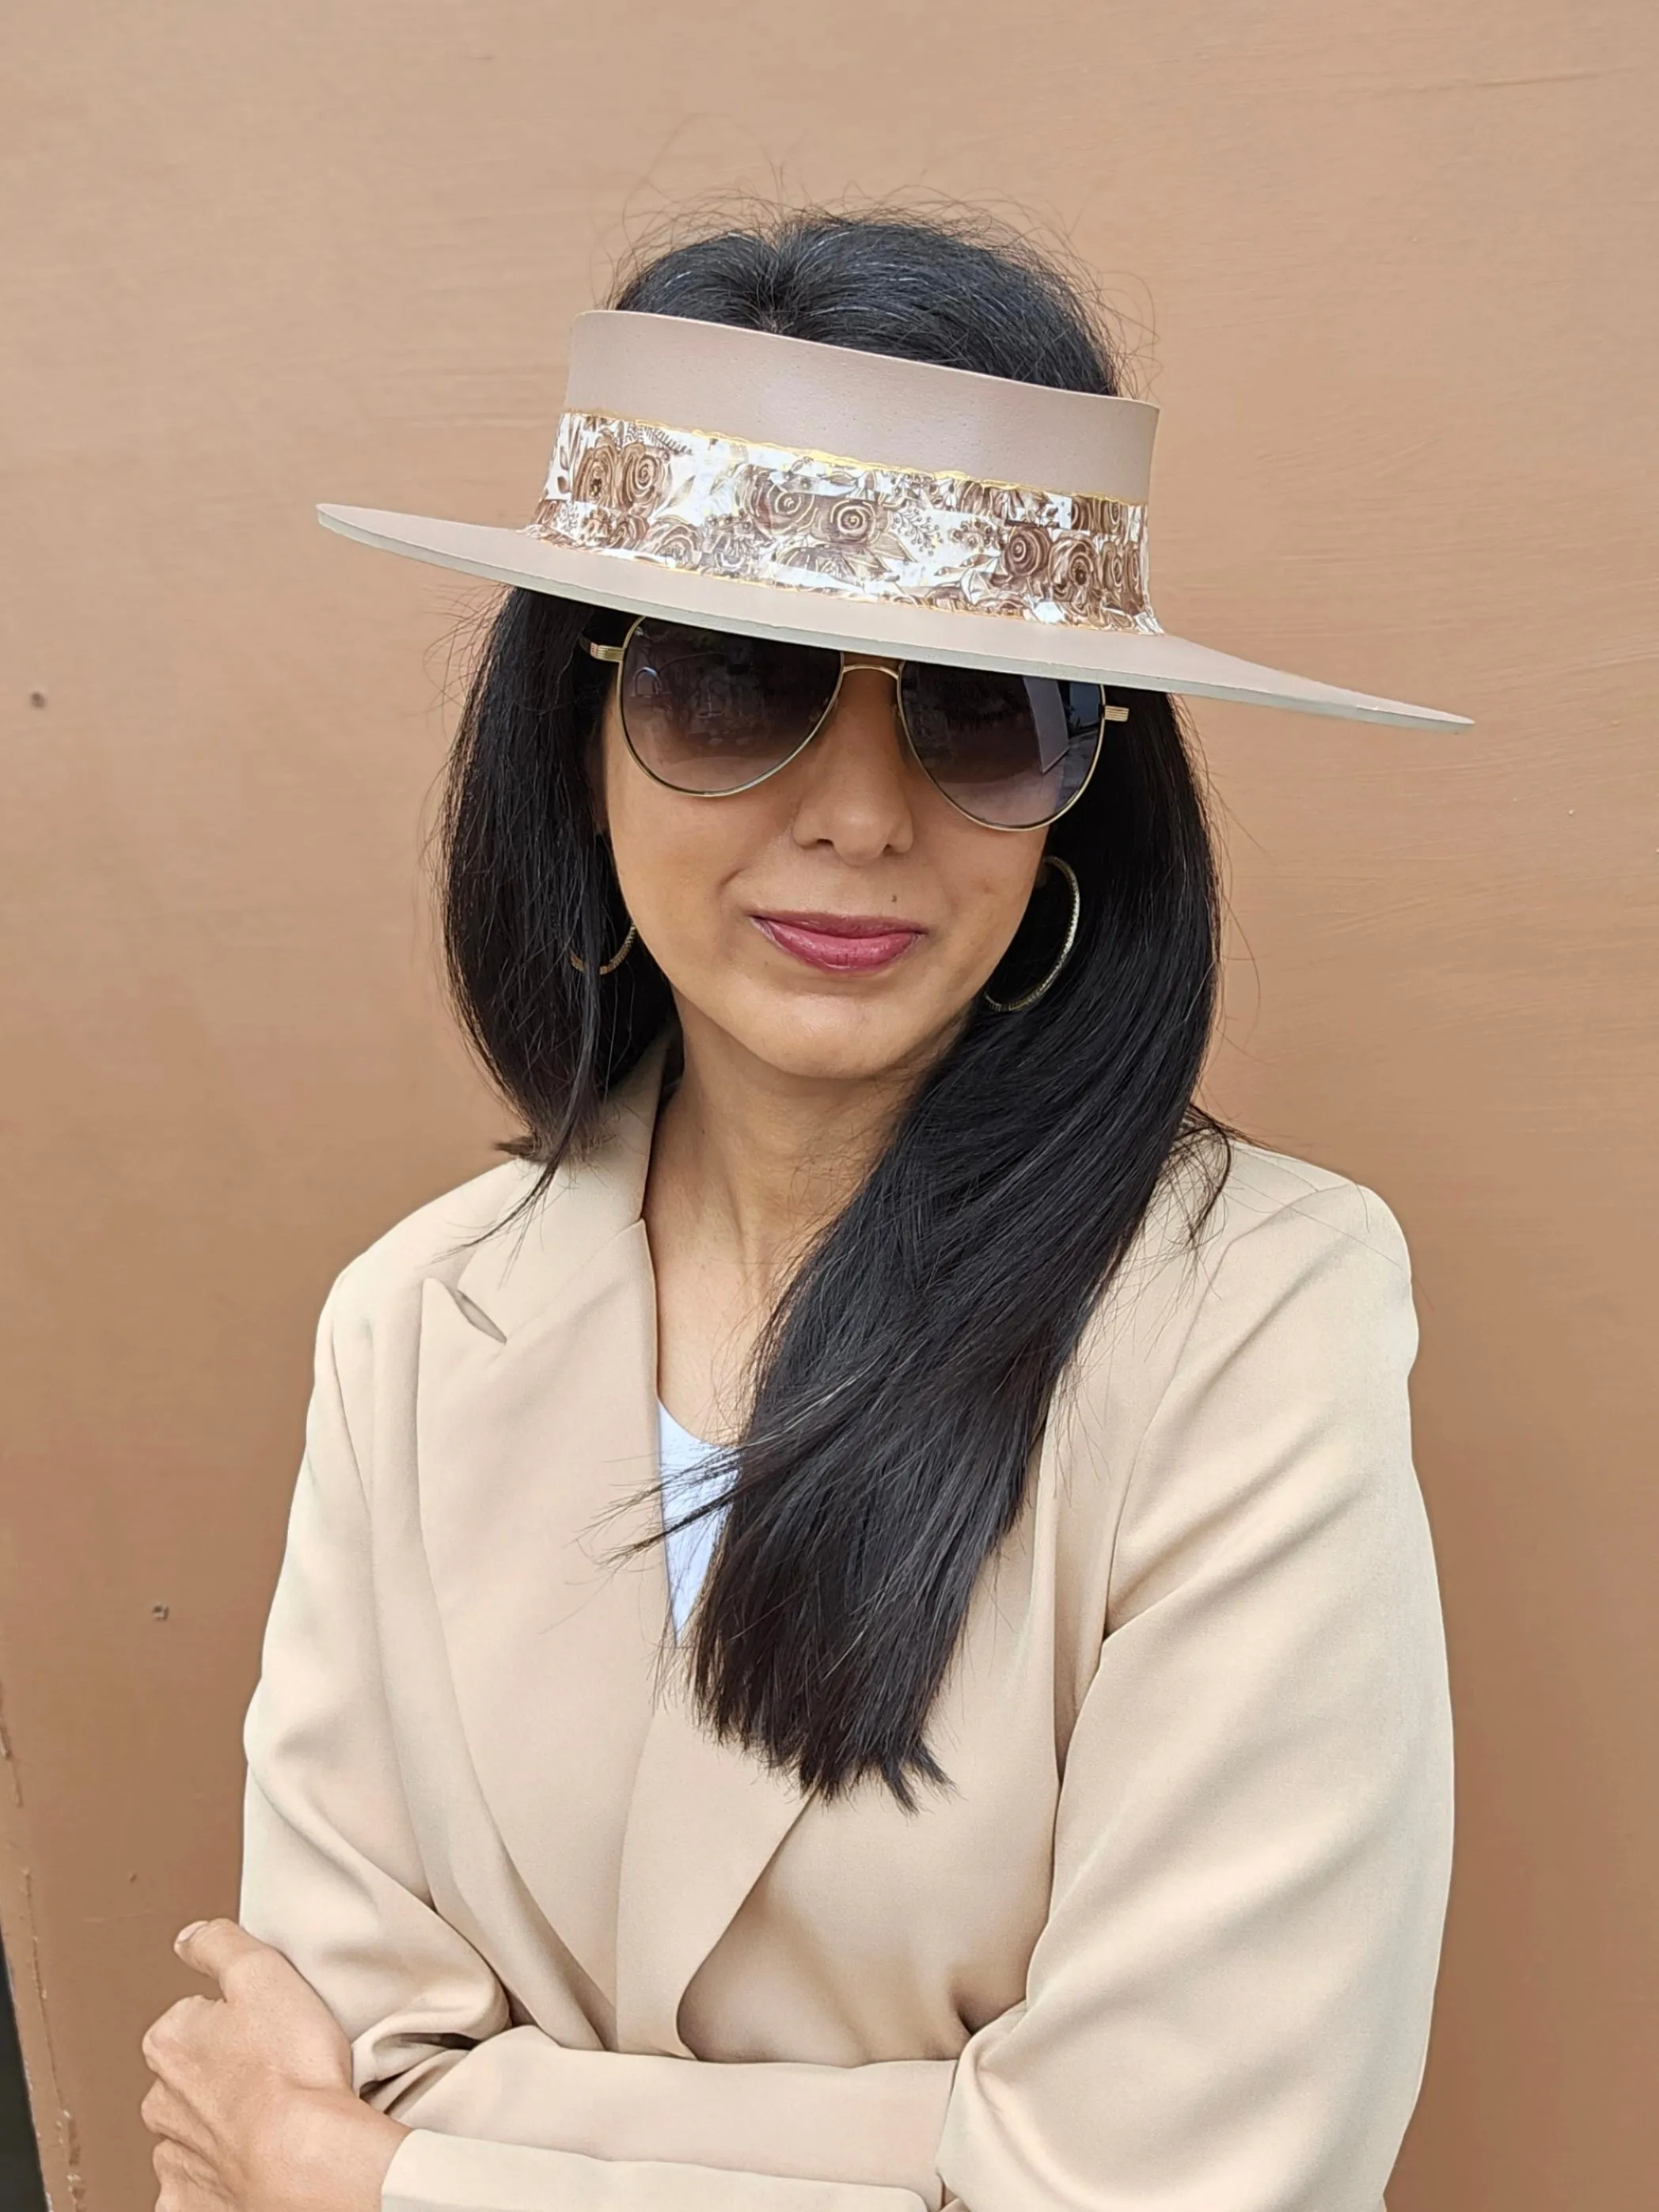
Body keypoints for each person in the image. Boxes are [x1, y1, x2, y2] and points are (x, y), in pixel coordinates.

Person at [139, 209, 1463, 2212]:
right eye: (731, 681)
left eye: (976, 710)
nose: (856, 811)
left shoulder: (1253, 1315)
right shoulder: (415, 1325)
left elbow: (1184, 2181)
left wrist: (393, 2173)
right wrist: (940, 2139)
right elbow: (348, 2031)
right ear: (577, 737)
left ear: (1084, 784)